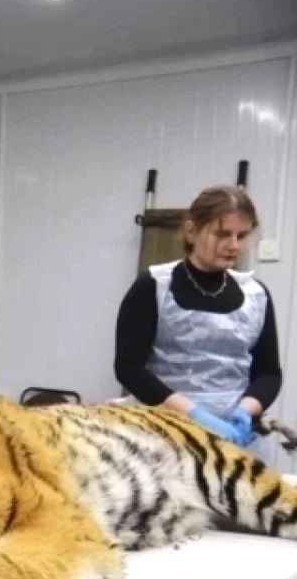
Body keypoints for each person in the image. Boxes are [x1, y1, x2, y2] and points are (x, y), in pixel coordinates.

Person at [114, 185, 281, 447]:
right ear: (191, 231)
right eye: (222, 234)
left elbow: (269, 373)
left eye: (242, 235)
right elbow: (128, 368)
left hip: (233, 437)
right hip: (164, 432)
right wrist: (193, 413)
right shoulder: (154, 286)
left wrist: (246, 410)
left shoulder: (256, 294)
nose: (233, 245)